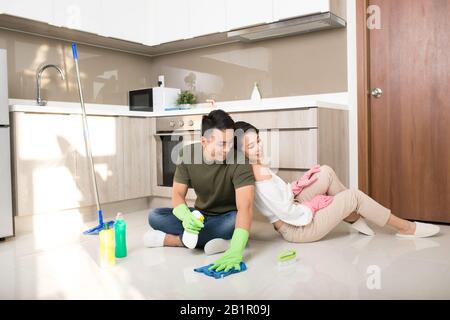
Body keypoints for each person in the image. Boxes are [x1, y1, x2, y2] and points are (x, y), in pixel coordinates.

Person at [233, 121, 440, 242]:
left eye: (258, 141)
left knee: (325, 172)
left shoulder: (257, 164)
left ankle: (351, 217)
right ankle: (406, 228)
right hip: (297, 227)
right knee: (354, 196)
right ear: (240, 152)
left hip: (293, 208)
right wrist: (312, 206)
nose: (258, 148)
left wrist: (298, 185)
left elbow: (279, 196)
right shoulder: (255, 176)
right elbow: (287, 213)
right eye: (251, 146)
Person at [144, 110, 255, 272]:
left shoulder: (240, 161)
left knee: (234, 221)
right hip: (200, 215)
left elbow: (246, 208)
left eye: (231, 143)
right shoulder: (188, 154)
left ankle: (173, 240)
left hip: (226, 218)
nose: (228, 149)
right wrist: (185, 216)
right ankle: (216, 240)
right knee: (155, 216)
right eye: (222, 144)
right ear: (204, 142)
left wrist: (237, 249)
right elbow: (177, 195)